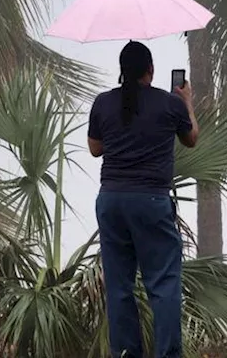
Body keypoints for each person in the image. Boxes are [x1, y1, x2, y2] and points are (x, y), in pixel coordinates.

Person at [88, 41, 199, 358]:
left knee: (119, 285)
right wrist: (187, 102)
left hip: (111, 201)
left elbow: (96, 148)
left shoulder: (103, 103)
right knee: (163, 284)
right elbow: (191, 139)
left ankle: (125, 353)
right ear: (151, 70)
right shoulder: (169, 104)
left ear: (122, 71)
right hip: (150, 201)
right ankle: (167, 354)